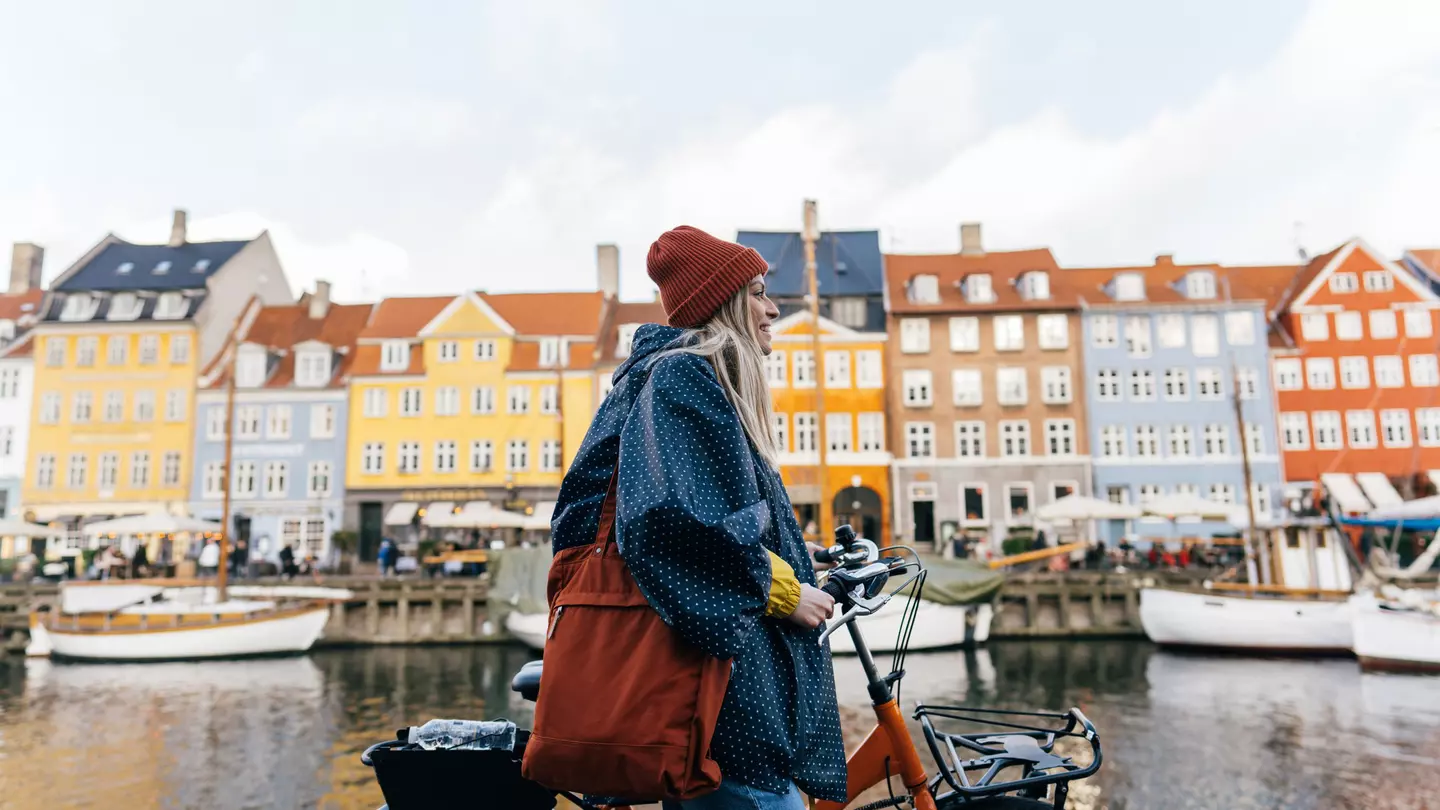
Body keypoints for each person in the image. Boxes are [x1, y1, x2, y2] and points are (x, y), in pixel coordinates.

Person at [551, 226, 846, 809]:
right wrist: (782, 590)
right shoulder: (687, 375)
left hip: (712, 696)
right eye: (757, 291)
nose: (772, 307)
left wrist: (793, 550)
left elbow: (700, 508)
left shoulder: (664, 376)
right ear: (724, 303)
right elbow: (669, 520)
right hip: (727, 703)